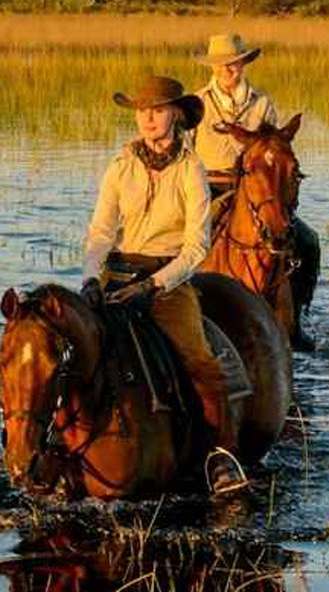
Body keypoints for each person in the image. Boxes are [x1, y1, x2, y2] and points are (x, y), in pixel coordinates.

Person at [80, 75, 247, 495]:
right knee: (71, 349)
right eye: (142, 111)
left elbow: (196, 246)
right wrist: (89, 278)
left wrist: (155, 285)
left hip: (169, 281)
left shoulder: (191, 168)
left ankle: (221, 457)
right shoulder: (120, 164)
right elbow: (101, 231)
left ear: (175, 115)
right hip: (117, 274)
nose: (148, 119)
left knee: (201, 362)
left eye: (156, 111)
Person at [192, 33, 319, 352]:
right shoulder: (197, 103)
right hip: (211, 183)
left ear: (244, 64)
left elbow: (275, 150)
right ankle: (180, 305)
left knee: (307, 240)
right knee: (184, 236)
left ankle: (295, 322)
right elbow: (186, 151)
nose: (228, 70)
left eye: (234, 63)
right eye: (222, 65)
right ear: (213, 68)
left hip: (257, 186)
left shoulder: (262, 103)